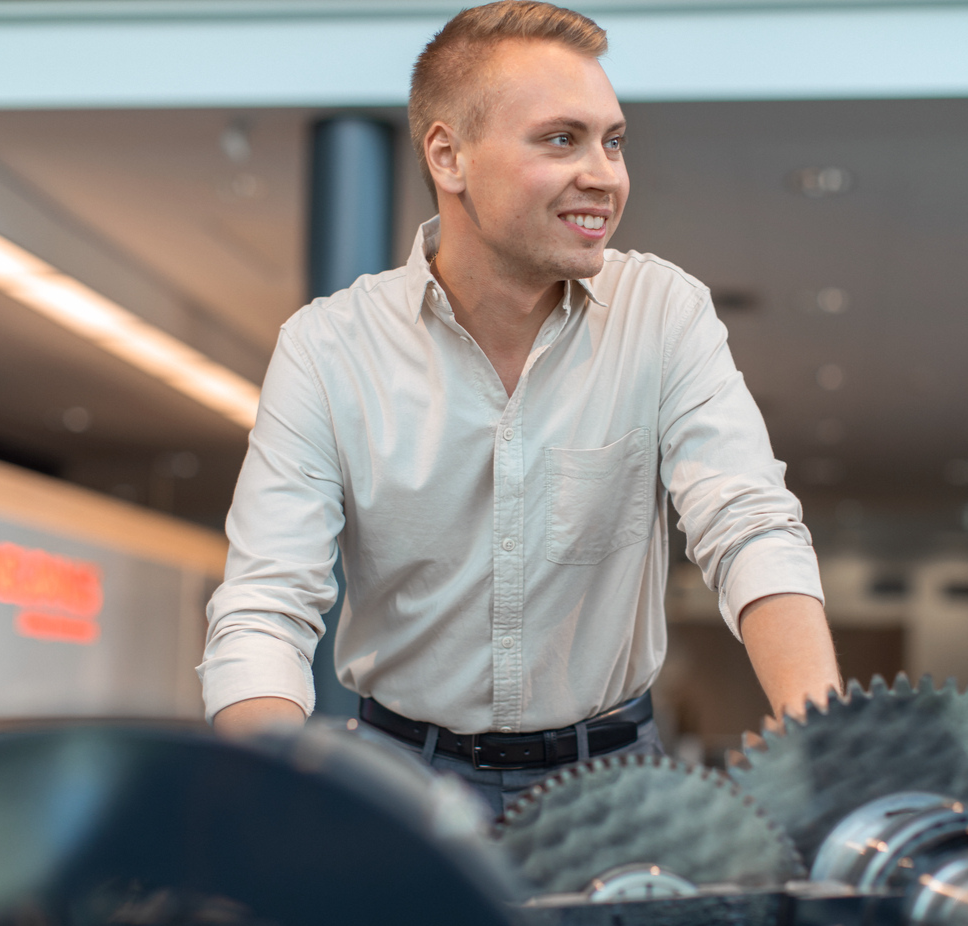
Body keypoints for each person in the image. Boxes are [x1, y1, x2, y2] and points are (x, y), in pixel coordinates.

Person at [199, 1, 841, 814]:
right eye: (561, 139)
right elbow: (266, 606)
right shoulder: (329, 348)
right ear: (448, 154)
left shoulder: (662, 311)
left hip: (613, 780)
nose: (604, 175)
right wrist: (268, 800)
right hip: (405, 777)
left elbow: (748, 522)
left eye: (613, 142)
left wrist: (822, 744)